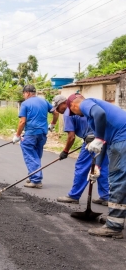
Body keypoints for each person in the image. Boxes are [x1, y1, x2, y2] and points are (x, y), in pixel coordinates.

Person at [67, 93, 126, 239]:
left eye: (72, 111)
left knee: (117, 181)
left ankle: (114, 226)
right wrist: (97, 167)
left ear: (74, 105)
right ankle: (117, 218)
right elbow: (103, 143)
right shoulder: (94, 115)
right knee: (122, 182)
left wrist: (98, 138)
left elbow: (100, 115)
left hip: (122, 139)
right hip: (118, 139)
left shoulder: (86, 104)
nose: (75, 114)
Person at [50, 94, 109, 205]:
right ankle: (106, 196)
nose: (58, 111)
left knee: (81, 167)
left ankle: (74, 195)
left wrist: (65, 151)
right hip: (102, 139)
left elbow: (71, 136)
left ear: (64, 103)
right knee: (100, 167)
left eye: (58, 108)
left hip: (92, 141)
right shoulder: (81, 107)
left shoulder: (68, 113)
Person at [13, 85, 59, 188]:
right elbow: (56, 113)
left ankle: (36, 180)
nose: (24, 95)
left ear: (28, 93)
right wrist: (52, 124)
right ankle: (33, 174)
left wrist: (17, 135)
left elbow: (22, 121)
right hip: (42, 133)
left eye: (24, 93)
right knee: (36, 156)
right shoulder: (44, 101)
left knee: (30, 155)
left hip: (31, 133)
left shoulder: (25, 104)